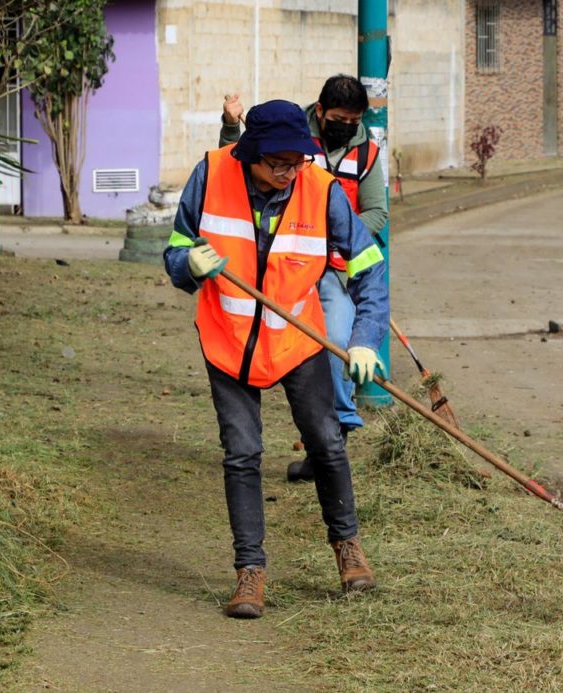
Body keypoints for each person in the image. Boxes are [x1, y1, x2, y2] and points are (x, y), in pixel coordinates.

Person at [164, 100, 389, 618]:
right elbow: (175, 250)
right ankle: (250, 573)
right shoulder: (212, 173)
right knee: (242, 453)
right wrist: (188, 264)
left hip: (297, 339)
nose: (289, 172)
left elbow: (369, 268)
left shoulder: (321, 189)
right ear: (250, 155)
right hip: (229, 339)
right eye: (279, 163)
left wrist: (364, 338)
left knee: (327, 442)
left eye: (298, 161)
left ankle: (348, 548)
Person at [219, 76, 387, 484]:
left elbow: (377, 215)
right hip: (274, 262)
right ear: (319, 112)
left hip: (329, 269)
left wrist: (325, 232)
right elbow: (235, 164)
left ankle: (334, 436)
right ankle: (286, 441)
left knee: (333, 343)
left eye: (354, 119)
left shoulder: (367, 154)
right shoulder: (292, 132)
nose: (346, 125)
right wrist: (229, 125)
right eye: (338, 118)